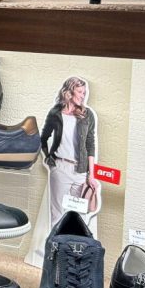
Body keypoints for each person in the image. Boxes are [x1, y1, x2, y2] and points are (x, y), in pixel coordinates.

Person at [40, 76, 100, 226]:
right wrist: (48, 158)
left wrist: (91, 175)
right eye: (80, 92)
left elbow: (90, 144)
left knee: (77, 215)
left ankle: (72, 247)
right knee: (58, 214)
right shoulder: (55, 113)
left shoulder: (87, 114)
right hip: (60, 168)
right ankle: (55, 247)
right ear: (69, 91)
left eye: (84, 92)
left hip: (80, 171)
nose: (83, 95)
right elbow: (43, 138)